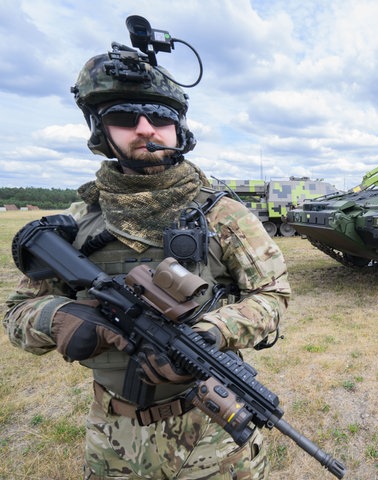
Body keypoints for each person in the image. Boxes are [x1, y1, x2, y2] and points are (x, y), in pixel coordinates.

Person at [3, 37, 291, 480]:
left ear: (179, 129)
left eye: (160, 117)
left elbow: (272, 297)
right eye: (123, 117)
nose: (145, 128)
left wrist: (213, 331)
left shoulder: (222, 213)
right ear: (101, 131)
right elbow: (17, 316)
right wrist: (60, 318)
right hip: (114, 439)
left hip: (212, 438)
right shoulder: (76, 225)